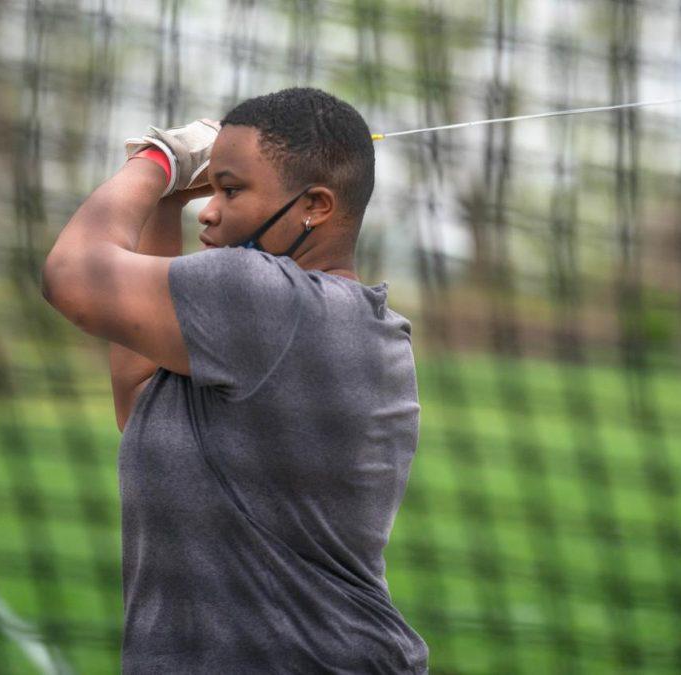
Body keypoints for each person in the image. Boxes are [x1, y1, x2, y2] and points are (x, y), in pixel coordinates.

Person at [42, 87, 429, 673]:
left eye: (232, 189)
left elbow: (72, 276)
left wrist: (157, 162)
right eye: (212, 188)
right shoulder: (282, 325)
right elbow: (138, 399)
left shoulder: (271, 302)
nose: (211, 209)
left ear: (316, 206)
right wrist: (169, 205)